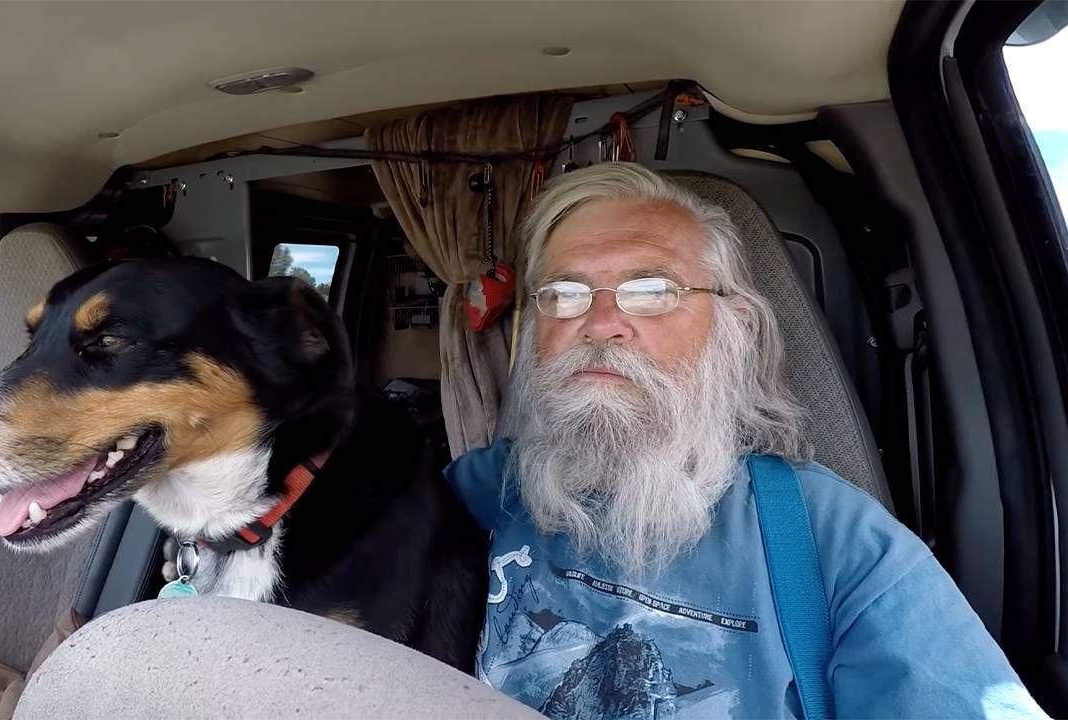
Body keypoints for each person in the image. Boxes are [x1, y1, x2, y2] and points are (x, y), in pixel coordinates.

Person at [445, 163, 1046, 718]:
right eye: (566, 294)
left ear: (736, 327)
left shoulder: (837, 544)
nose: (600, 324)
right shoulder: (481, 491)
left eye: (653, 290)